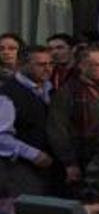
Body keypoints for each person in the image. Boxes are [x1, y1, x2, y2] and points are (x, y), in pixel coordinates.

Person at [47, 47, 99, 194]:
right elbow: (58, 129)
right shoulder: (68, 92)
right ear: (82, 66)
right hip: (81, 158)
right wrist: (69, 163)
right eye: (98, 65)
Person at [0, 46, 57, 202]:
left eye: (50, 64)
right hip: (18, 168)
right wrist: (33, 154)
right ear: (21, 65)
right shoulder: (8, 94)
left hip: (48, 168)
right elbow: (1, 136)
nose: (48, 69)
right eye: (41, 65)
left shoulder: (50, 90)